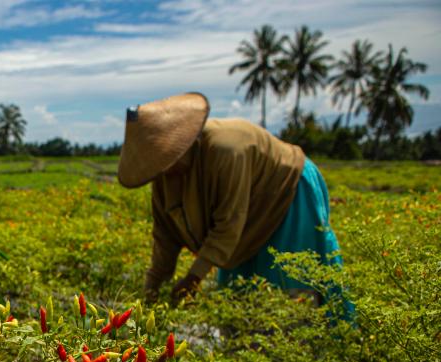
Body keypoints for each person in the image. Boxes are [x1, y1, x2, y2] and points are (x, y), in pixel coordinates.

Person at [118, 92, 349, 310]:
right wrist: (151, 291)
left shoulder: (226, 151)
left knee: (287, 290)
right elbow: (165, 236)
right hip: (244, 227)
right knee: (238, 299)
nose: (165, 172)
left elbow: (229, 222)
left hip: (285, 194)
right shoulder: (164, 178)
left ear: (182, 147)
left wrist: (193, 277)